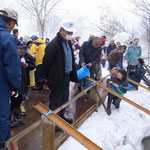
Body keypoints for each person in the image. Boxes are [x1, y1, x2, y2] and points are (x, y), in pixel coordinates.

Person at [43, 20, 78, 128]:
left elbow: (70, 58)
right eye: (68, 32)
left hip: (66, 76)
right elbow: (46, 63)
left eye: (71, 33)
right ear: (61, 30)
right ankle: (54, 121)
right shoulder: (54, 44)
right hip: (57, 77)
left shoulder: (67, 42)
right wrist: (50, 78)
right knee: (56, 101)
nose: (70, 35)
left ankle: (62, 116)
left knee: (64, 98)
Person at [0, 8, 21, 149]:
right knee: (2, 116)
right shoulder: (7, 38)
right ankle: (2, 143)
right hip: (1, 86)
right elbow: (12, 67)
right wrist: (16, 85)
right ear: (11, 22)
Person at [18, 43, 35, 115]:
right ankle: (14, 110)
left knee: (23, 95)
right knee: (15, 95)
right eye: (19, 48)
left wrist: (28, 65)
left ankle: (22, 107)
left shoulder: (28, 56)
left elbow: (33, 66)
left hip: (25, 79)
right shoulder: (13, 57)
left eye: (22, 48)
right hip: (16, 80)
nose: (21, 50)